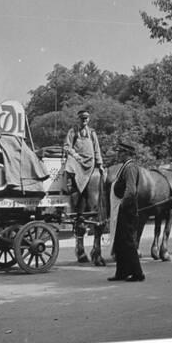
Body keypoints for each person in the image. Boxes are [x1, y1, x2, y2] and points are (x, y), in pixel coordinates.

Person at [63, 109, 104, 262]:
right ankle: (73, 191)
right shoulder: (73, 131)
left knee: (99, 179)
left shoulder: (92, 132)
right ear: (78, 119)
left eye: (86, 119)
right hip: (78, 161)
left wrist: (100, 164)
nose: (84, 121)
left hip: (90, 162)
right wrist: (76, 155)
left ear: (89, 120)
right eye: (82, 119)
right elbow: (67, 147)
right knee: (71, 166)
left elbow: (97, 148)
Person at [108, 142, 145, 282]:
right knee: (119, 243)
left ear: (127, 154)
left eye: (121, 152)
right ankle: (121, 272)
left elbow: (130, 191)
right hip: (121, 210)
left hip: (126, 211)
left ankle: (137, 273)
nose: (119, 155)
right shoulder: (125, 167)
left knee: (128, 243)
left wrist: (122, 205)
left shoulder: (130, 168)